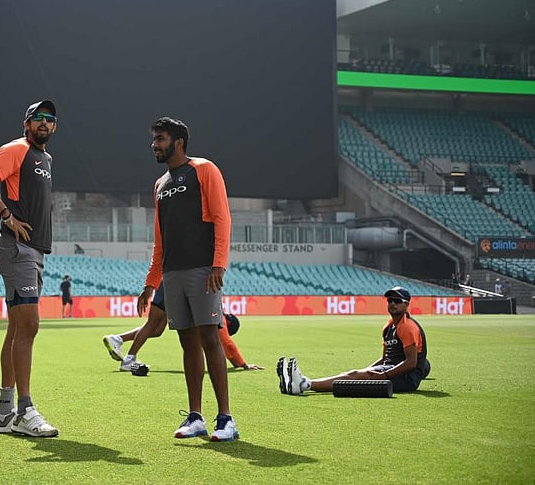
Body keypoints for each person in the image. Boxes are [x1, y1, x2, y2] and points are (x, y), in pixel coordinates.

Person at [142, 116, 237, 442]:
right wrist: (151, 281)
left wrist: (218, 265)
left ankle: (226, 419)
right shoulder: (159, 184)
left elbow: (222, 217)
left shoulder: (204, 170)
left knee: (210, 337)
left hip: (202, 270)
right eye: (154, 139)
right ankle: (196, 417)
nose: (155, 144)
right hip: (173, 273)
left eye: (161, 138)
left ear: (178, 142)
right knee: (186, 342)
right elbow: (160, 238)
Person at [0, 100, 59, 438]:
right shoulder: (17, 149)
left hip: (31, 251)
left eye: (49, 120)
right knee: (29, 327)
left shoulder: (45, 159)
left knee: (17, 329)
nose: (44, 124)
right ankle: (25, 410)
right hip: (16, 248)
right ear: (26, 124)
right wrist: (6, 216)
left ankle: (5, 414)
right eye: (38, 119)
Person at [277, 286, 431, 395]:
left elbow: (411, 363)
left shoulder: (408, 327)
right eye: (390, 300)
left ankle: (305, 384)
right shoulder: (389, 327)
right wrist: (367, 370)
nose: (392, 304)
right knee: (356, 374)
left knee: (355, 376)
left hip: (406, 379)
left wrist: (382, 376)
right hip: (391, 371)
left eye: (397, 301)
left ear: (406, 305)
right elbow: (385, 359)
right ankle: (299, 384)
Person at [102, 282, 263, 372]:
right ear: (228, 322)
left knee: (157, 330)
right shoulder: (219, 314)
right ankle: (129, 360)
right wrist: (243, 365)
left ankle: (117, 339)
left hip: (173, 284)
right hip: (175, 286)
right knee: (152, 324)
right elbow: (226, 342)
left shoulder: (218, 311)